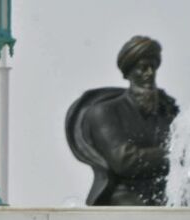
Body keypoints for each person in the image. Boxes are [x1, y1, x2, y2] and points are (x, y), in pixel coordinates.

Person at [66, 35, 180, 206]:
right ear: (129, 72)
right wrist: (175, 155)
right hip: (122, 198)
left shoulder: (166, 113)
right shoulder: (104, 112)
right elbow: (125, 161)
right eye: (143, 68)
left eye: (153, 67)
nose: (149, 73)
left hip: (164, 196)